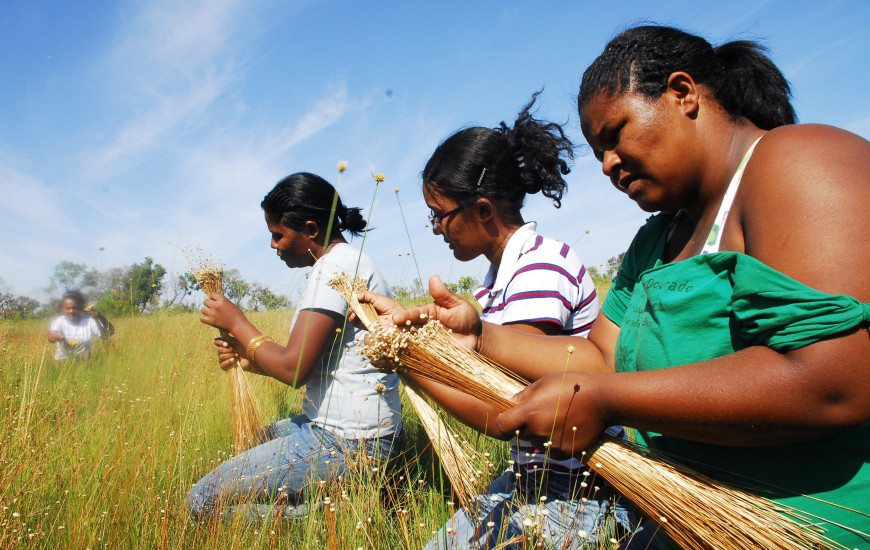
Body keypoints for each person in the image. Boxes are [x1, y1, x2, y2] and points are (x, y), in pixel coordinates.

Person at [370, 25, 870, 548]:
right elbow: (600, 359)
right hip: (686, 519)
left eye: (616, 134)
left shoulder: (796, 160)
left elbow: (834, 381)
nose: (608, 165)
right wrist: (480, 337)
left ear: (683, 93)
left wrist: (609, 401)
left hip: (809, 525)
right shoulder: (656, 240)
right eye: (597, 151)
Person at [412, 93, 637, 549]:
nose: (438, 229)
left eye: (440, 216)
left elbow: (504, 409)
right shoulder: (495, 284)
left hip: (579, 492)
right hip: (535, 480)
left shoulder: (541, 268)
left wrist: (409, 362)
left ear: (482, 210)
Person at [187, 172, 403, 520]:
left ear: (311, 230)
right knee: (256, 438)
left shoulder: (333, 268)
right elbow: (316, 363)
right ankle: (347, 498)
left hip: (349, 442)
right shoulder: (348, 262)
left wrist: (237, 323)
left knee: (203, 500)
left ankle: (335, 515)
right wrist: (249, 359)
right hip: (359, 432)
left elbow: (294, 369)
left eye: (278, 235)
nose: (273, 245)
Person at [47, 290, 105, 360]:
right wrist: (58, 336)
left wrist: (99, 317)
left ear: (80, 308)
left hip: (85, 361)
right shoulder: (59, 321)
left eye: (74, 308)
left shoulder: (89, 321)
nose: (71, 311)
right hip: (63, 362)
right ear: (63, 309)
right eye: (67, 308)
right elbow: (50, 337)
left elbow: (105, 335)